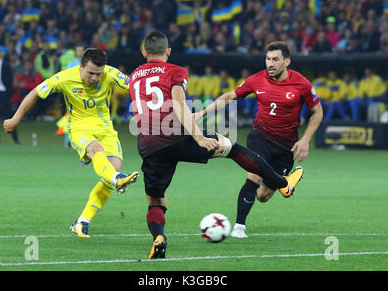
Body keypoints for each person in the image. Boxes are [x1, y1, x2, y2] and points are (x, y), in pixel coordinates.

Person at [129, 31, 304, 259]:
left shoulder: (133, 76)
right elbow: (179, 106)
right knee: (233, 149)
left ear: (144, 53)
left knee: (156, 199)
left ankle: (159, 238)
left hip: (148, 144)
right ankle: (283, 183)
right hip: (176, 135)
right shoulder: (176, 71)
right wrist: (200, 138)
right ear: (168, 52)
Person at [3, 48, 139, 238]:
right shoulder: (63, 78)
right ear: (80, 66)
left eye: (98, 74)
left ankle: (82, 221)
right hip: (80, 128)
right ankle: (117, 179)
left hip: (106, 129)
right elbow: (34, 93)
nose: (94, 78)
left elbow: (135, 85)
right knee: (97, 152)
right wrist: (16, 119)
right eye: (90, 73)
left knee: (112, 170)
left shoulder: (110, 73)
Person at [194, 41, 323, 238]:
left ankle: (285, 182)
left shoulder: (302, 84)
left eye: (275, 59)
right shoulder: (257, 80)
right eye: (268, 59)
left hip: (285, 146)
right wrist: (202, 112)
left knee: (263, 196)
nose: (270, 63)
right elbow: (230, 96)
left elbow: (317, 112)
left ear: (287, 61)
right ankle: (239, 228)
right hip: (260, 137)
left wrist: (305, 140)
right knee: (253, 173)